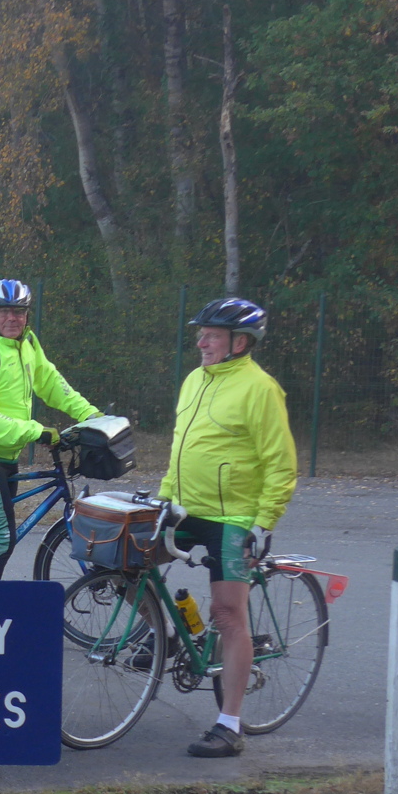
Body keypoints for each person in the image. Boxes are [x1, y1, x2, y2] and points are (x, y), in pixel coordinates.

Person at [159, 298, 297, 758]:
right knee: (126, 558)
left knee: (227, 613)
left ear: (240, 343)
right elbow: (180, 449)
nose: (201, 341)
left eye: (212, 335)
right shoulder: (195, 379)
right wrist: (163, 499)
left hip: (234, 518)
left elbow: (281, 463)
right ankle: (162, 636)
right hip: (186, 509)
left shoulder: (260, 389)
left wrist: (263, 522)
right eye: (201, 334)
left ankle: (229, 724)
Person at [0, 278, 102, 579]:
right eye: (3, 311)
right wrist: (36, 431)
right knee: (2, 537)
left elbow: (51, 383)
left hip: (4, 454)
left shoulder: (27, 343)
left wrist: (91, 415)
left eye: (19, 311)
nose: (12, 318)